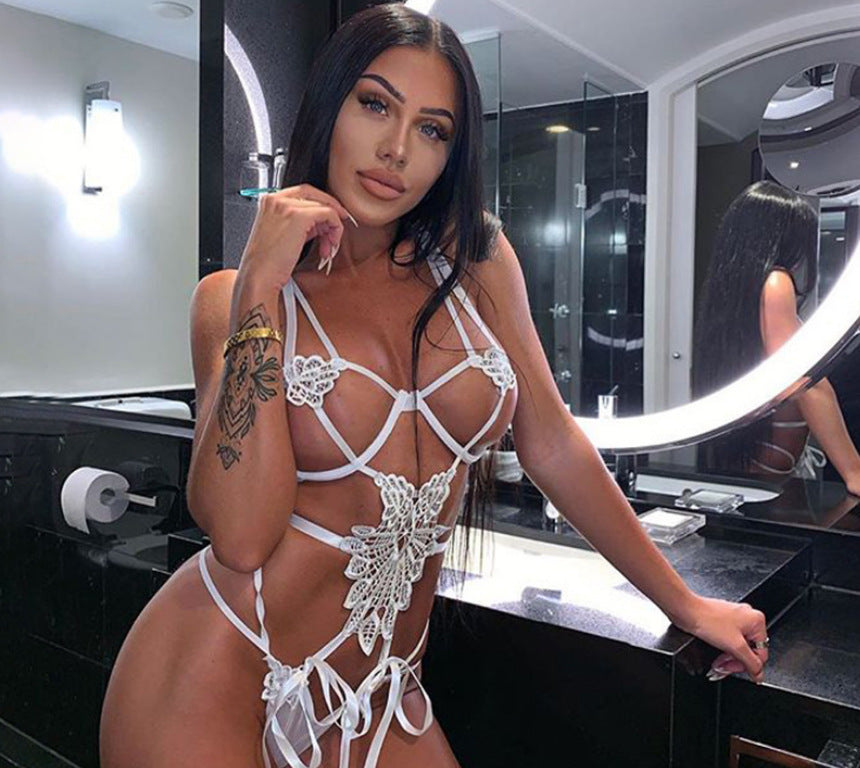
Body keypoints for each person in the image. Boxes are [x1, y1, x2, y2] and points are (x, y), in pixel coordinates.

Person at [100, 7, 768, 767]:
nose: (397, 149)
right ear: (329, 107)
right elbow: (241, 538)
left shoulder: (477, 260)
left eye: (432, 129)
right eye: (375, 104)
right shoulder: (233, 298)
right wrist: (258, 282)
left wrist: (684, 602)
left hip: (384, 692)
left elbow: (552, 442)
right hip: (218, 675)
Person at [694, 180, 860, 496]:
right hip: (776, 444)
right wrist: (854, 470)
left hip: (753, 444)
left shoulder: (732, 288)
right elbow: (806, 383)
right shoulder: (775, 282)